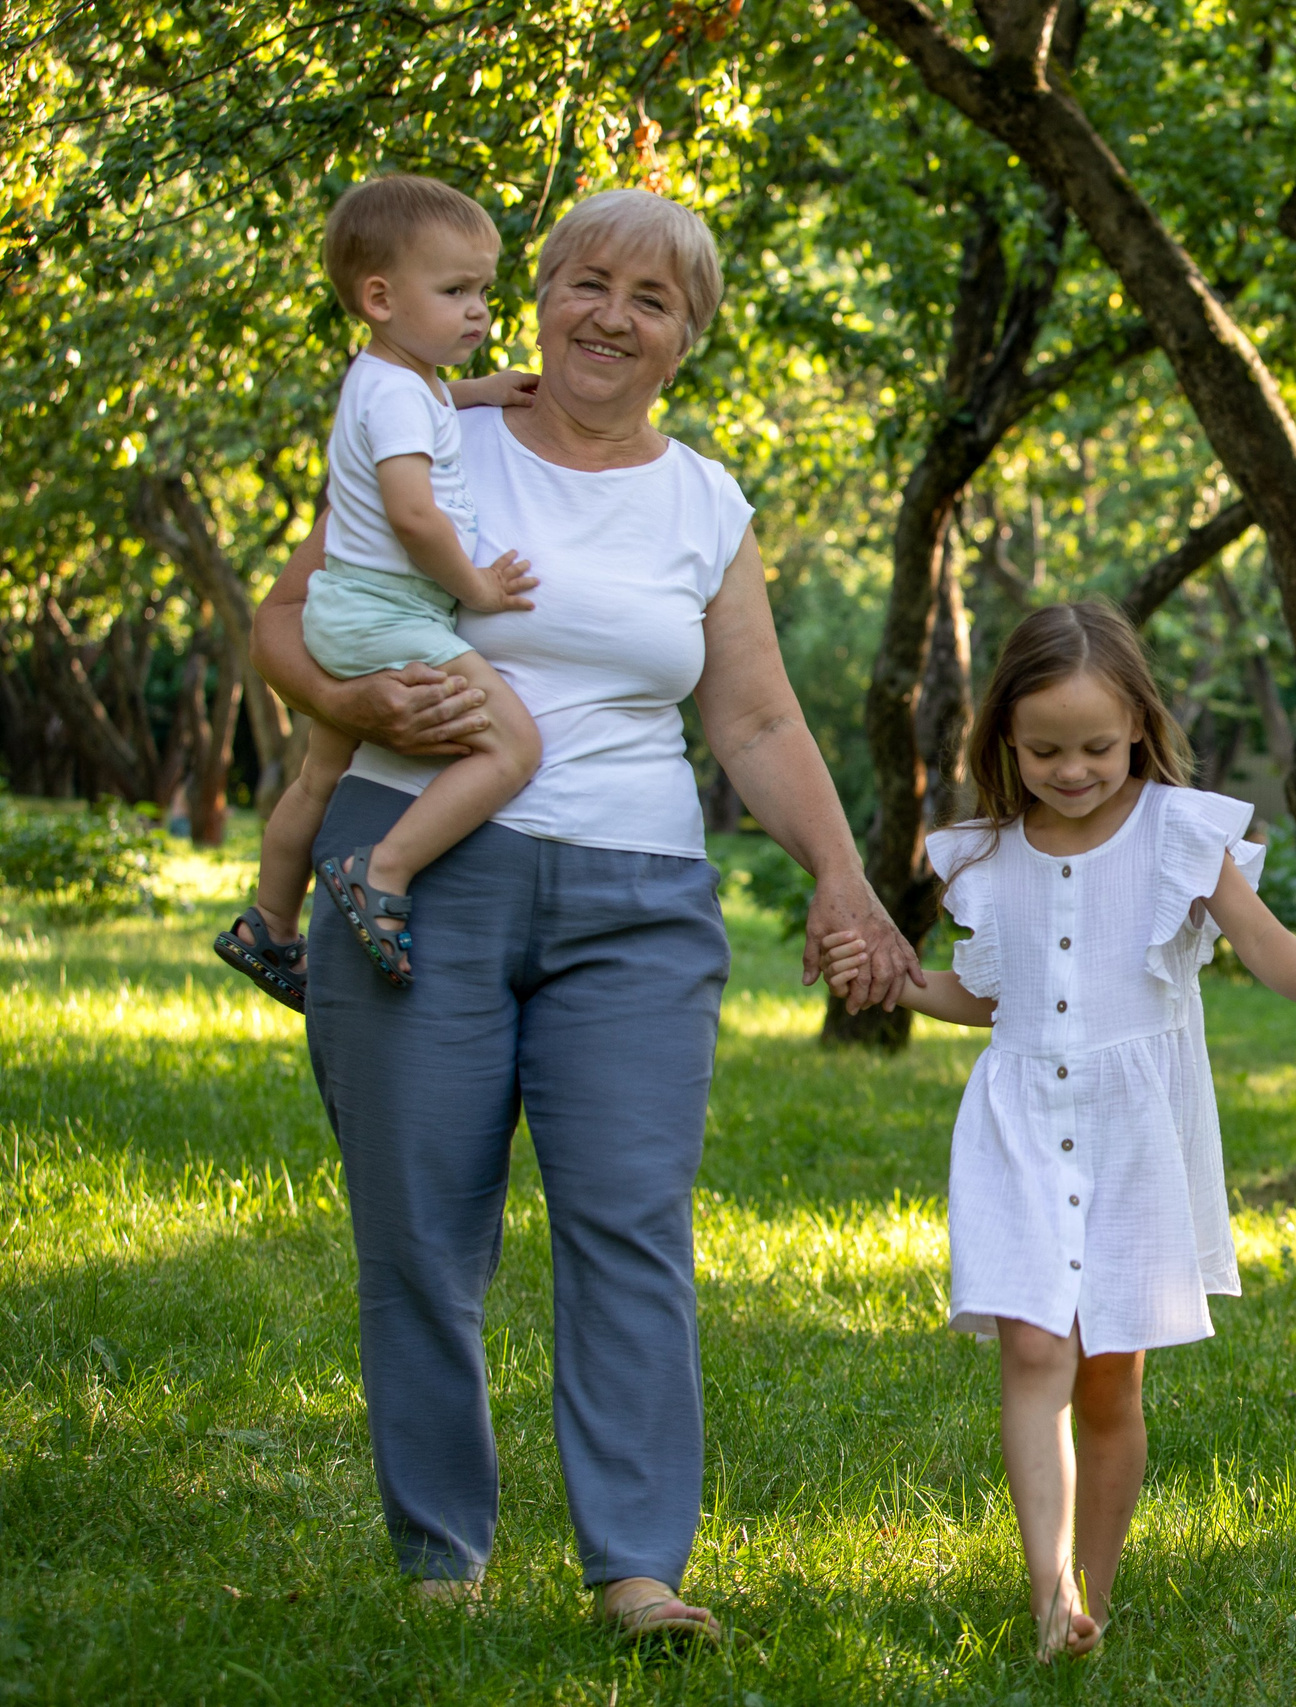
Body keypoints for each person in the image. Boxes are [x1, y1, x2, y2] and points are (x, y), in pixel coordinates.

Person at [248, 189, 923, 1641]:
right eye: (587, 283)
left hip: (637, 896)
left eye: (652, 299)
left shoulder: (706, 501)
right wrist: (360, 703)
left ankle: (635, 1568)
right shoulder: (436, 426)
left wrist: (842, 873)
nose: (612, 317)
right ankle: (443, 1559)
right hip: (416, 870)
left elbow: (754, 716)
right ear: (538, 295)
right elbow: (283, 620)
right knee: (422, 1230)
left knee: (629, 1222)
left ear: (689, 336)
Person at [820, 602, 1296, 1662]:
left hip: (1135, 1133)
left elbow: (1261, 940)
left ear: (1140, 729)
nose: (1072, 771)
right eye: (1044, 751)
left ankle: (1092, 1597)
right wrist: (893, 979)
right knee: (1033, 1348)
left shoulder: (1178, 833)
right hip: (1020, 1123)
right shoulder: (985, 856)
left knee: (1110, 1373)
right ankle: (1049, 1592)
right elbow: (990, 994)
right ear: (1006, 742)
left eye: (1097, 748)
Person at [216, 175, 544, 1008]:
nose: (479, 312)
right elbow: (413, 516)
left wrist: (479, 392)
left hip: (348, 608)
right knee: (514, 750)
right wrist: (478, 587)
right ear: (379, 298)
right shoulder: (401, 390)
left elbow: (423, 409)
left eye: (484, 292)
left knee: (319, 779)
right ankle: (383, 870)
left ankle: (267, 921)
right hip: (390, 612)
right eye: (455, 291)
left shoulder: (395, 377)